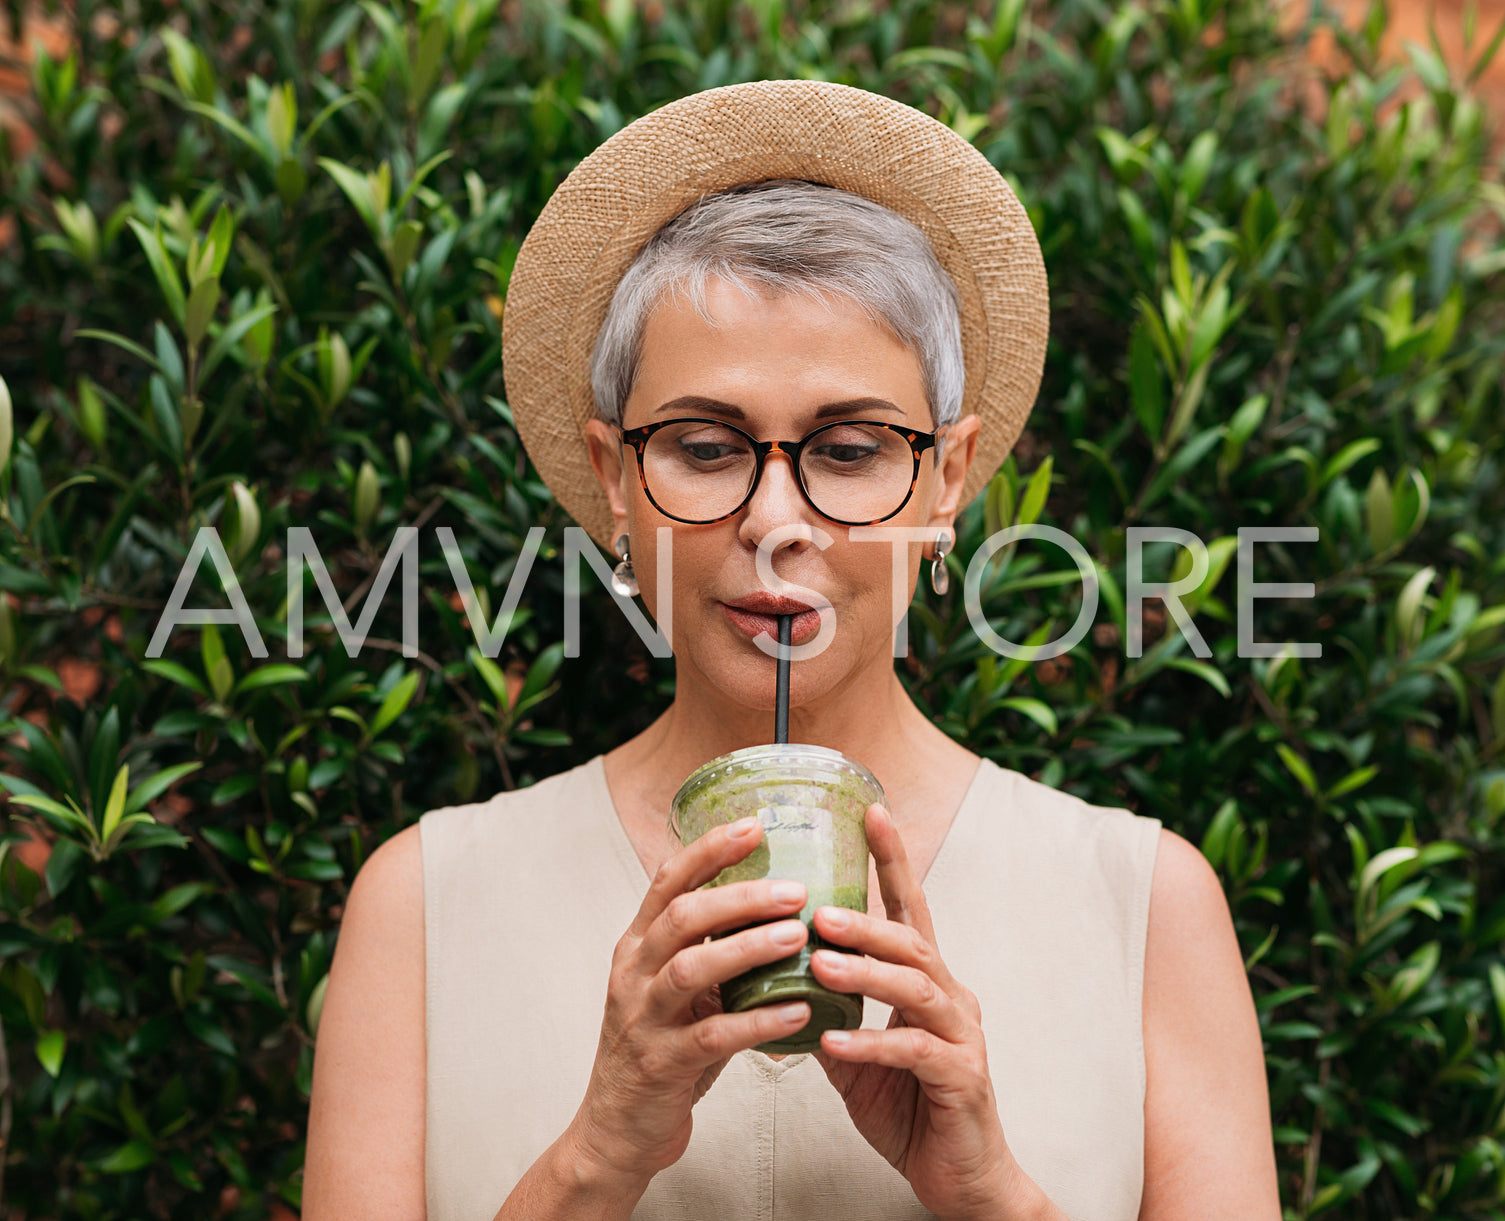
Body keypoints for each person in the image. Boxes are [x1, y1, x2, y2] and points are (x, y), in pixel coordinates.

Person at [301, 81, 1281, 1220]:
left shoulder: (1142, 905)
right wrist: (597, 1155)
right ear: (616, 478)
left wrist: (989, 1194)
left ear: (946, 480)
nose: (776, 519)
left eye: (851, 448)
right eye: (706, 448)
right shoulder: (424, 905)